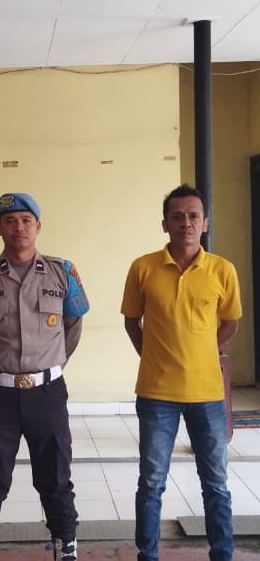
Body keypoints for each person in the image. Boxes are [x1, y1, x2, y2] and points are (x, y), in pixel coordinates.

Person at [0, 192, 89, 561]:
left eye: (26, 220)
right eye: (10, 221)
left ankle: (66, 543)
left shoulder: (63, 272)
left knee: (55, 476)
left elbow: (73, 326)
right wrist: (0, 362)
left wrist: (49, 363)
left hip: (47, 393)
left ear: (38, 226)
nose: (19, 227)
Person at [120, 183, 242, 561]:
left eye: (193, 216)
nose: (185, 222)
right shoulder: (143, 268)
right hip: (156, 394)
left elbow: (231, 322)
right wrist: (152, 355)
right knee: (151, 482)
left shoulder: (222, 270)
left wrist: (204, 351)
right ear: (165, 223)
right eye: (177, 216)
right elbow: (131, 321)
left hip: (208, 394)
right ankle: (148, 554)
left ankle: (222, 553)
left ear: (205, 223)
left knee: (216, 483)